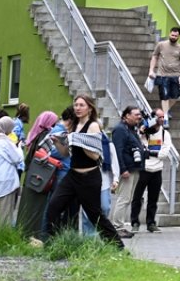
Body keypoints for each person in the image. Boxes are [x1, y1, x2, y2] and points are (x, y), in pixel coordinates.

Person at [42, 95, 123, 248]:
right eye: (76, 105)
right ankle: (53, 244)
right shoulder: (73, 125)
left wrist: (79, 140)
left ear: (89, 108)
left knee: (94, 215)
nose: (77, 108)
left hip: (89, 176)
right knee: (53, 206)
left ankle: (118, 246)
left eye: (81, 105)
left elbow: (95, 155)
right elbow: (66, 153)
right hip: (72, 175)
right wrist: (58, 142)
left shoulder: (93, 126)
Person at [14, 110, 60, 240]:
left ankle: (21, 234)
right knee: (35, 209)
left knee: (26, 207)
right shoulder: (45, 136)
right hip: (40, 178)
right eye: (54, 122)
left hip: (30, 176)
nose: (55, 125)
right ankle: (31, 236)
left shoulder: (35, 135)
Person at [132, 108, 173, 233]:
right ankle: (134, 222)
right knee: (137, 197)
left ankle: (151, 223)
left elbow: (164, 153)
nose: (161, 119)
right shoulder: (144, 132)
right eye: (159, 117)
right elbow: (136, 145)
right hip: (143, 168)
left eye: (162, 117)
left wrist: (150, 153)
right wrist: (141, 131)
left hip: (157, 170)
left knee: (153, 199)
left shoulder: (165, 134)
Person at [110, 106, 145, 236]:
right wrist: (123, 169)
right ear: (126, 116)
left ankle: (120, 226)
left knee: (127, 199)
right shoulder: (120, 129)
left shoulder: (130, 129)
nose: (139, 117)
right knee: (123, 198)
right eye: (136, 114)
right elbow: (117, 151)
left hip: (134, 169)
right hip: (127, 170)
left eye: (139, 114)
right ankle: (117, 227)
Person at [148, 27, 180, 118]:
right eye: (172, 35)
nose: (173, 37)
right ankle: (165, 116)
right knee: (164, 96)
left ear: (178, 36)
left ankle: (163, 111)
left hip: (176, 75)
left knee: (175, 96)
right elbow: (154, 57)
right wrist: (151, 70)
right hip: (162, 75)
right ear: (169, 34)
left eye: (175, 36)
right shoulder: (161, 45)